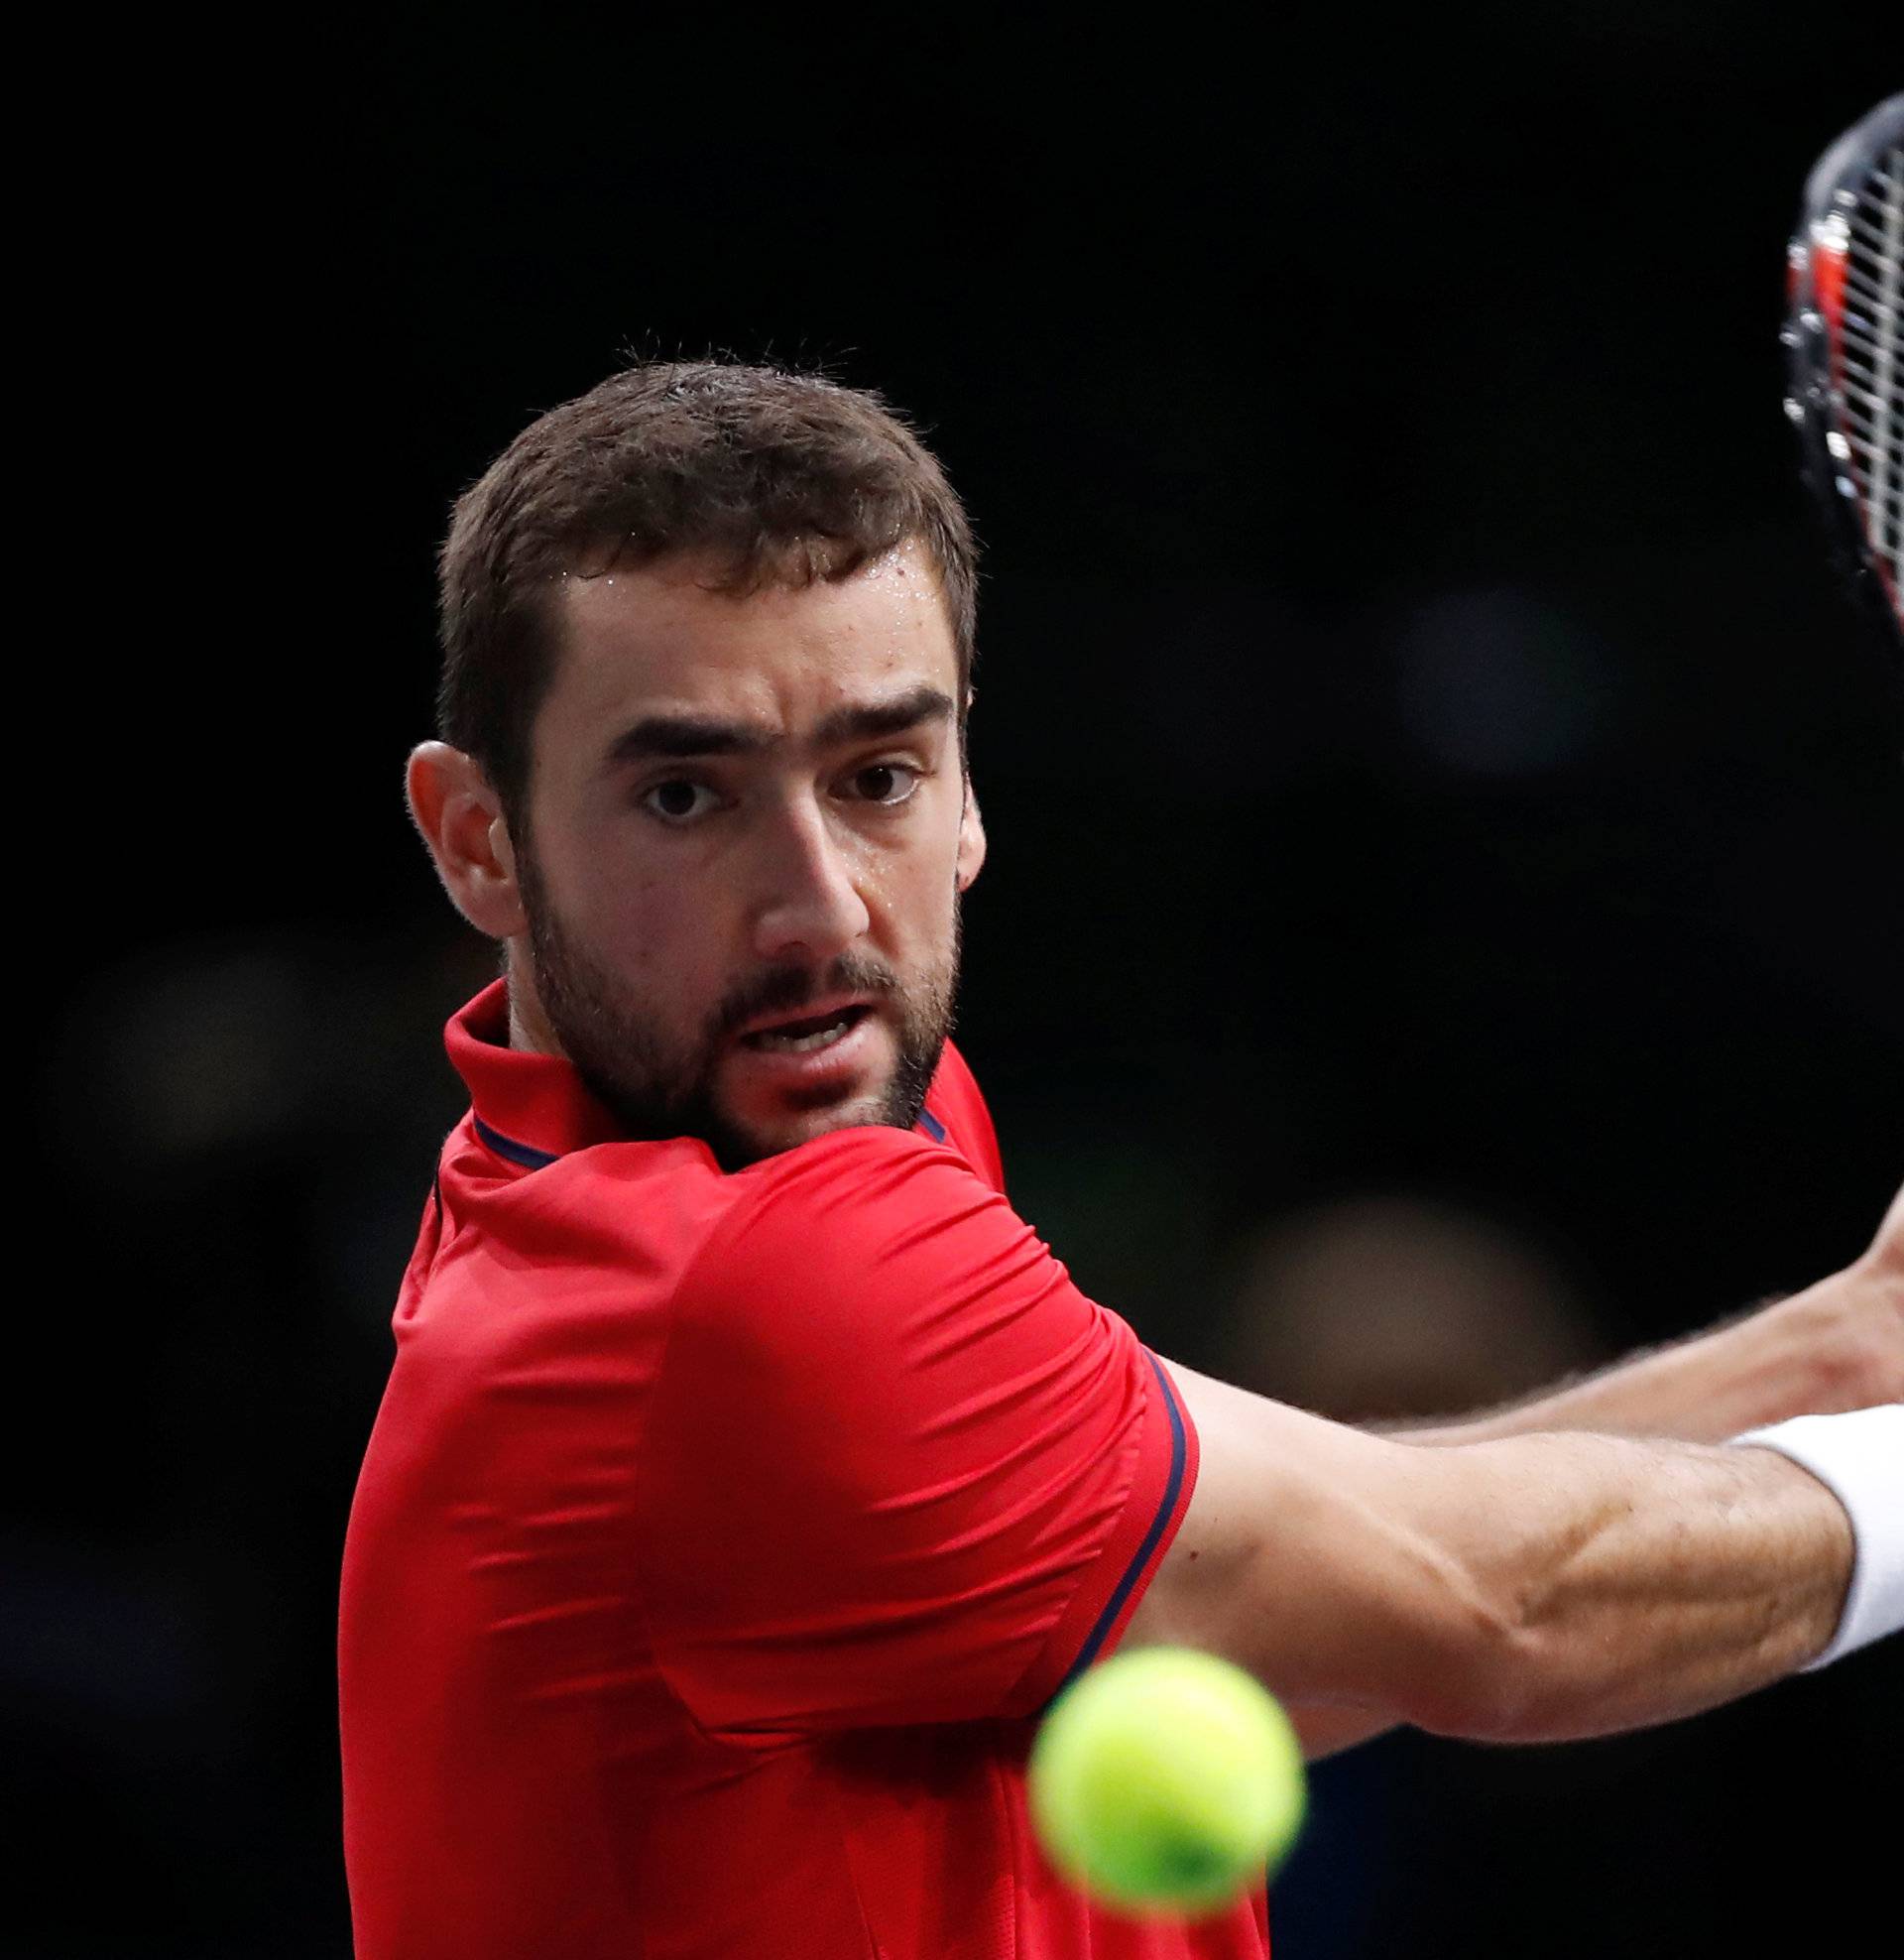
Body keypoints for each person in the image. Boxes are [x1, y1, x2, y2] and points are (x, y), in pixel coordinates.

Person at [338, 361, 1903, 1960]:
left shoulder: (784, 1123)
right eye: (686, 795)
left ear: (966, 794)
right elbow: (1503, 1607)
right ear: (478, 839)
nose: (818, 909)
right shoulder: (753, 1278)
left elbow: (1305, 1580)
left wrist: (1841, 1347)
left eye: (877, 776)